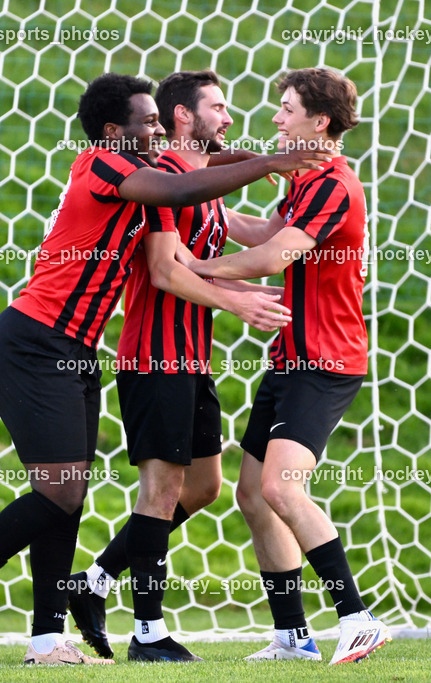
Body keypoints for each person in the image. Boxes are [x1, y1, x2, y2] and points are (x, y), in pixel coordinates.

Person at [0, 72, 329, 666]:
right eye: (148, 120)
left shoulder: (153, 170)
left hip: (79, 347)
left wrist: (277, 163)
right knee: (60, 491)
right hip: (35, 340)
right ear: (116, 131)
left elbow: (202, 167)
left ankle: (46, 640)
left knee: (68, 495)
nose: (159, 127)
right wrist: (273, 161)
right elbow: (178, 193)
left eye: (162, 120)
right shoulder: (103, 164)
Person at [67, 69, 289, 662]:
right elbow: (167, 269)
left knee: (206, 486)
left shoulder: (203, 185)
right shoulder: (161, 180)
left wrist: (312, 187)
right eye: (218, 105)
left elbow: (265, 239)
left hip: (192, 358)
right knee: (161, 491)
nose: (230, 116)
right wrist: (237, 300)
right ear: (184, 117)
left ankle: (92, 582)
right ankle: (148, 635)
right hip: (153, 355)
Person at [181, 67, 390, 665]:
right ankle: (293, 637)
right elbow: (266, 229)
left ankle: (357, 618)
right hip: (293, 358)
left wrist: (188, 268)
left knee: (279, 485)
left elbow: (274, 256)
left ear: (319, 121)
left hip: (326, 361)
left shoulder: (333, 184)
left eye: (287, 107)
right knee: (252, 494)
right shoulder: (305, 181)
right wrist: (192, 213)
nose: (275, 117)